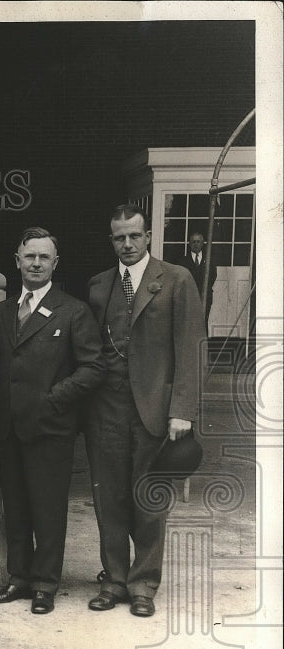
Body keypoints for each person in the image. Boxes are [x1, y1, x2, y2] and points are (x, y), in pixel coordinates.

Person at [84, 204, 205, 617]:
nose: (128, 244)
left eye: (135, 235)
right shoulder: (99, 285)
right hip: (107, 409)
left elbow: (191, 348)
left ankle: (144, 584)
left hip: (155, 407)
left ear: (148, 236)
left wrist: (183, 409)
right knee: (109, 499)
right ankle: (114, 579)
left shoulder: (176, 279)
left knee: (149, 499)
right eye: (119, 237)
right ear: (111, 239)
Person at [0, 227, 105, 614]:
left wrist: (52, 401)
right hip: (6, 428)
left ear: (55, 263)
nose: (36, 263)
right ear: (17, 261)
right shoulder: (2, 311)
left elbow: (92, 368)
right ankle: (18, 579)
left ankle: (45, 584)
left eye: (43, 257)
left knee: (48, 510)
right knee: (15, 508)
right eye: (29, 256)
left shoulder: (73, 310)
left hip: (50, 429)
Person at [174, 231, 215, 330]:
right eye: (193, 242)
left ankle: (202, 344)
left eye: (198, 241)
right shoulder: (183, 261)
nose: (196, 244)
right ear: (189, 243)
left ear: (202, 243)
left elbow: (213, 276)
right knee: (188, 322)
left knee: (203, 320)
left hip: (205, 295)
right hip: (188, 296)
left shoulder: (209, 259)